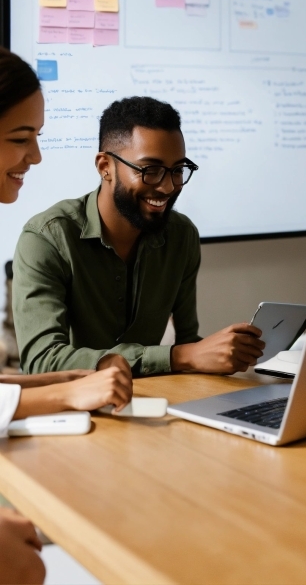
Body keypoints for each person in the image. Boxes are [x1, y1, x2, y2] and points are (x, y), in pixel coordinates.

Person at [13, 96, 264, 378]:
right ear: (105, 166)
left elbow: (186, 343)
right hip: (72, 411)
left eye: (178, 170)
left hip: (153, 402)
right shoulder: (47, 238)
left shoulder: (182, 236)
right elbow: (41, 360)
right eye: (150, 170)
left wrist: (224, 354)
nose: (168, 186)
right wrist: (180, 356)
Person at [0, 48, 132, 585]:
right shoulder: (46, 235)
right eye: (18, 137)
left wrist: (55, 380)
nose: (35, 156)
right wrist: (67, 395)